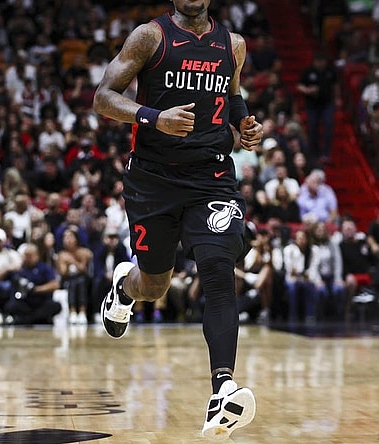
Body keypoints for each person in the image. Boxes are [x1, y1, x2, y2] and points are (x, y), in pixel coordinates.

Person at [92, 0, 262, 438]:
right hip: (153, 180)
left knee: (218, 270)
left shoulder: (233, 45)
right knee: (155, 285)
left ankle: (222, 389)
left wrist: (243, 123)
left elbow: (233, 94)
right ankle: (124, 287)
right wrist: (153, 118)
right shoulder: (150, 36)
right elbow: (103, 98)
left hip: (212, 176)